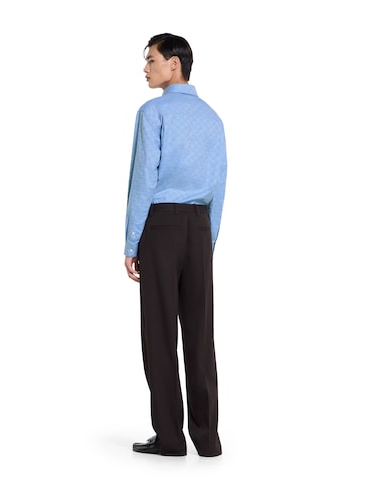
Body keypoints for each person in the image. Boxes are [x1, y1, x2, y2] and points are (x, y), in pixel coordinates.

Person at [124, 33, 227, 457]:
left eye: (151, 59)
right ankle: (207, 439)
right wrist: (208, 243)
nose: (145, 68)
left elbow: (143, 179)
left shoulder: (153, 112)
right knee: (200, 336)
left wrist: (132, 242)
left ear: (174, 64)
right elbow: (219, 185)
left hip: (161, 226)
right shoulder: (212, 118)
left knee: (160, 333)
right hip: (199, 228)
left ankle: (170, 438)